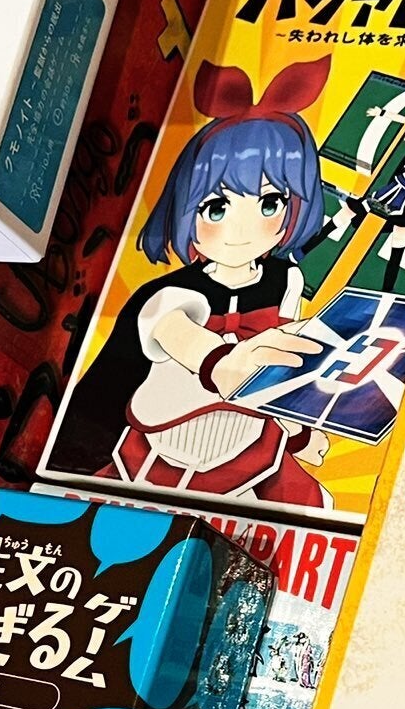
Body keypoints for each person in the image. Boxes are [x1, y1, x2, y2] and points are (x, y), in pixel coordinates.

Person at [67, 56, 336, 507]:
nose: (241, 230)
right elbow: (179, 334)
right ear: (185, 209)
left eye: (270, 204)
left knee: (313, 510)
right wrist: (222, 364)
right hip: (162, 448)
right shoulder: (166, 295)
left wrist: (299, 433)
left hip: (253, 447)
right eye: (216, 208)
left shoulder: (286, 278)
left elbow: (283, 372)